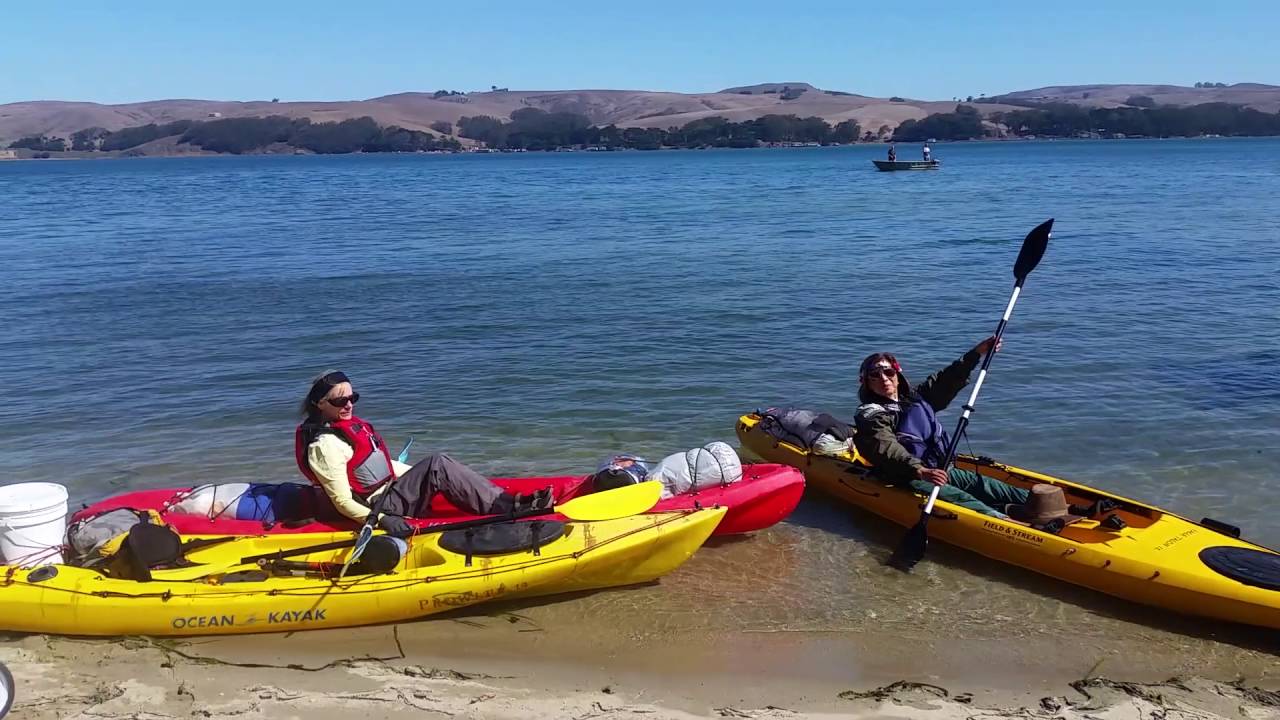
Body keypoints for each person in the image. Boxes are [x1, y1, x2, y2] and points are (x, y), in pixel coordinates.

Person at [295, 370, 550, 537]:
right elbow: (342, 502)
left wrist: (422, 476)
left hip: (390, 492)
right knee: (437, 463)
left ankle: (497, 499)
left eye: (353, 398)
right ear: (320, 404)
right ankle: (508, 508)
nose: (349, 404)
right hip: (380, 506)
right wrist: (384, 520)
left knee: (438, 466)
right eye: (340, 401)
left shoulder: (349, 430)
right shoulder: (324, 447)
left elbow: (381, 465)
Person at [853, 340, 1029, 518]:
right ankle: (1007, 521)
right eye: (875, 375)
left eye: (889, 372)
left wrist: (977, 352)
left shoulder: (915, 398)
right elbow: (885, 446)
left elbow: (947, 379)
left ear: (897, 375)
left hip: (940, 468)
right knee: (961, 498)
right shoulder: (871, 415)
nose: (884, 379)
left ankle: (1034, 506)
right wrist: (920, 470)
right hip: (908, 475)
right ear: (867, 382)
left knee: (994, 487)